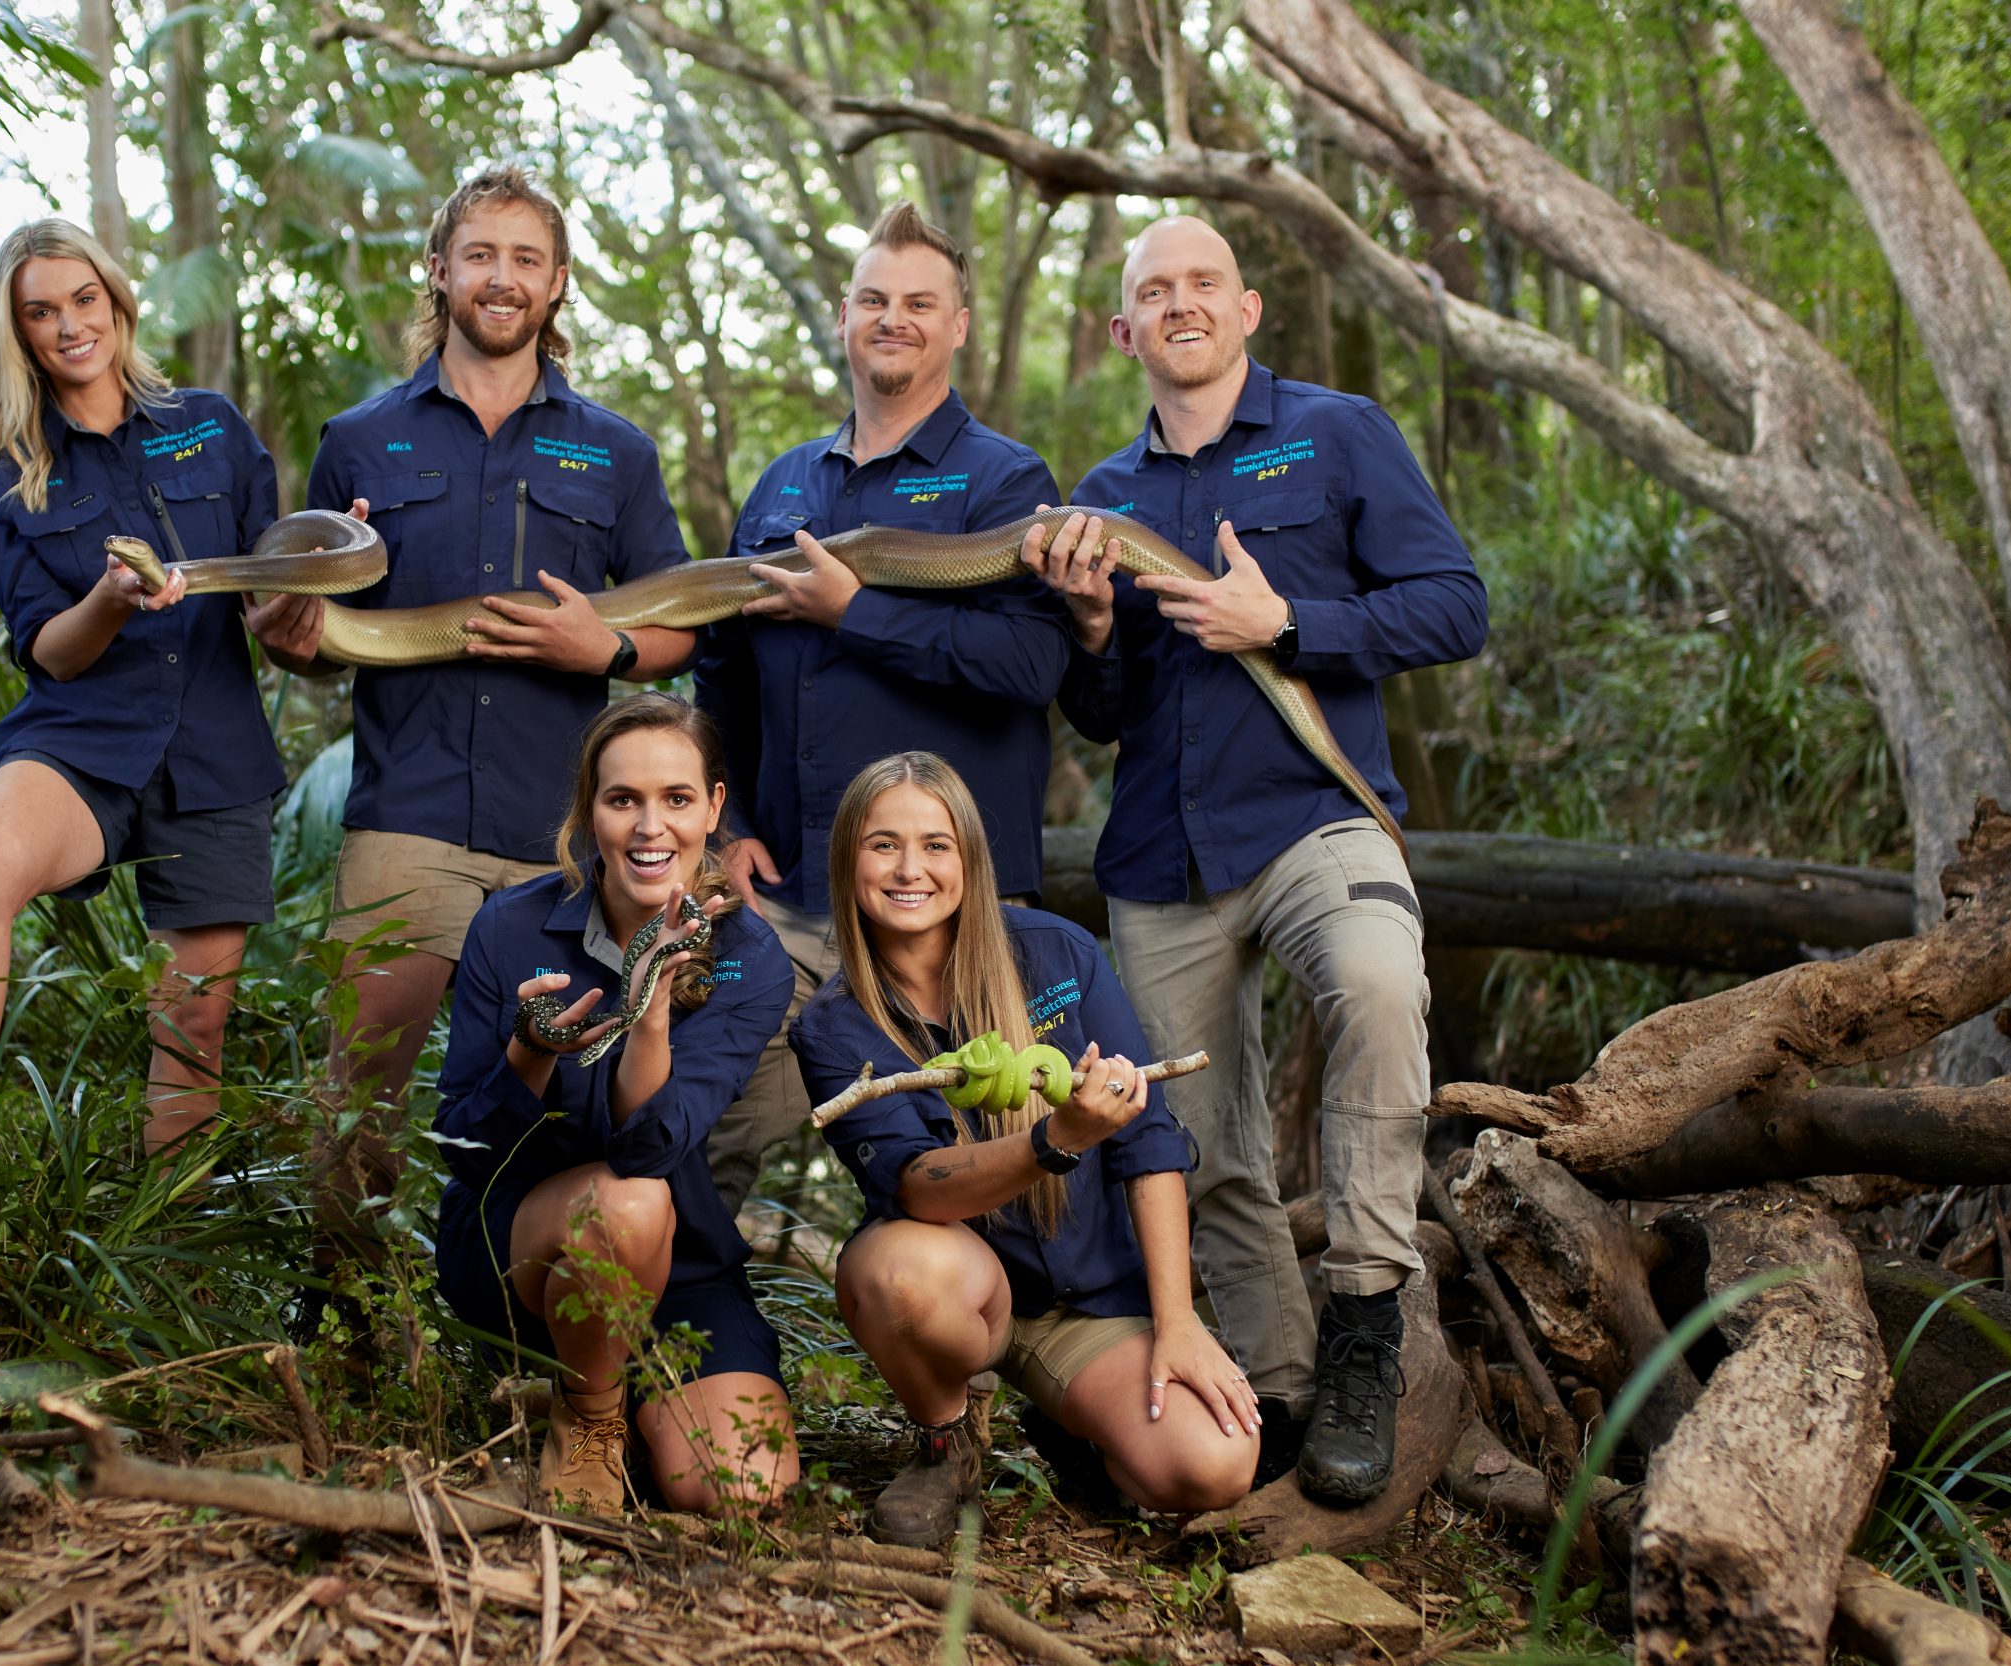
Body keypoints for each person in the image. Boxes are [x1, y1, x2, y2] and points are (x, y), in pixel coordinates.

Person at [1021, 216, 1488, 1501]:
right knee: (1194, 1130)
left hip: (1312, 818)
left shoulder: (1338, 433)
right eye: (1151, 292)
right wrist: (1093, 620)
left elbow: (1455, 604)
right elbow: (1102, 715)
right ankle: (1282, 1395)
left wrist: (1285, 619)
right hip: (1159, 853)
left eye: (1202, 284)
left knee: (1382, 991)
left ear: (1247, 309)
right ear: (1124, 332)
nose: (1180, 304)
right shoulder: (1098, 498)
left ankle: (1362, 1321)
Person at [248, 166, 696, 1265]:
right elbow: (309, 630)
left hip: (563, 842)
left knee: (570, 1101)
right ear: (440, 271)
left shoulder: (618, 451)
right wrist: (289, 633)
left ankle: (522, 1330)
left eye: (526, 259)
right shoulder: (360, 440)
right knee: (360, 1101)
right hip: (405, 820)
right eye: (481, 255)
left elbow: (683, 617)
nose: (502, 279)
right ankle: (349, 1325)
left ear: (556, 286)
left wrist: (611, 648)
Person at [0, 217, 304, 1251]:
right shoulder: (7, 481)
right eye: (41, 311)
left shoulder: (211, 427)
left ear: (117, 305)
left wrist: (321, 564)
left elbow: (267, 584)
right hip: (82, 737)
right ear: (19, 335)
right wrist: (113, 599)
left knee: (196, 1012)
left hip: (215, 748)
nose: (68, 324)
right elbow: (53, 651)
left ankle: (165, 1241)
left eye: (84, 300)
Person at [694, 202, 1068, 1213]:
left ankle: (992, 1366)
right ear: (845, 318)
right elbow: (721, 680)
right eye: (871, 299)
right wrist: (726, 825)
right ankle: (675, 1359)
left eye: (917, 302)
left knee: (990, 1158)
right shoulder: (781, 488)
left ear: (956, 326)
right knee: (713, 1122)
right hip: (795, 901)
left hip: (954, 911)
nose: (890, 318)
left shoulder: (1003, 483)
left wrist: (856, 613)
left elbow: (1033, 663)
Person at [792, 753, 1259, 1547]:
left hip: (1086, 1304)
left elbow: (1148, 1141)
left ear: (970, 860)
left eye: (936, 845)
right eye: (883, 845)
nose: (912, 869)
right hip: (961, 1295)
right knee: (898, 1273)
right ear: (848, 861)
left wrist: (1176, 1322)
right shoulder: (834, 1026)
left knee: (1211, 1467)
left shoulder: (1057, 955)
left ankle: (1080, 1434)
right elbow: (918, 1187)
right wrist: (1054, 1142)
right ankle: (947, 1441)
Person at [434, 694, 798, 1518]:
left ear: (712, 807)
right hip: (519, 1245)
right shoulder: (509, 926)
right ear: (588, 810)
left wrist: (651, 1009)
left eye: (675, 799)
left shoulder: (748, 957)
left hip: (678, 1261)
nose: (649, 827)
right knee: (625, 1209)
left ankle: (626, 1386)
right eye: (622, 799)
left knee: (739, 1487)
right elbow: (460, 1146)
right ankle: (590, 1415)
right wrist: (528, 1052)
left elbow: (649, 1144)